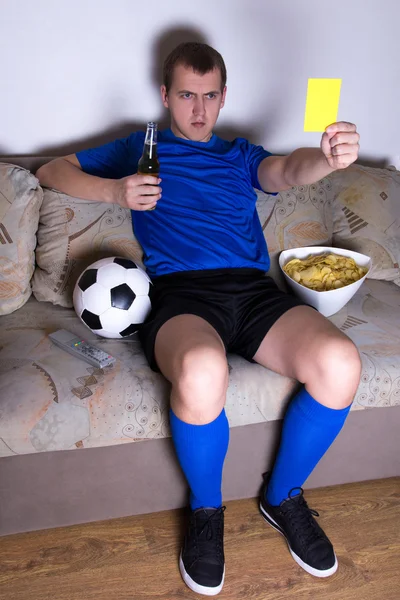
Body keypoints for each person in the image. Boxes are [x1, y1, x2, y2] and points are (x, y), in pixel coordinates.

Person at [36, 42, 362, 596]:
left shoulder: (239, 155)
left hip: (254, 292)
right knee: (203, 372)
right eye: (187, 95)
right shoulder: (144, 149)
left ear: (223, 97)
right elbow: (51, 170)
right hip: (184, 297)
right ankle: (207, 513)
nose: (199, 110)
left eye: (210, 96)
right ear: (166, 96)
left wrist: (326, 159)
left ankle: (282, 498)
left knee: (341, 363)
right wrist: (115, 190)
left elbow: (287, 172)